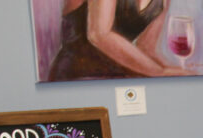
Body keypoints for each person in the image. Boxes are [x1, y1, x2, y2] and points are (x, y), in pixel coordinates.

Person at [48, 0, 193, 81]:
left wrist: (179, 71)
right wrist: (160, 71)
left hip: (118, 79)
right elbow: (99, 34)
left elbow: (146, 49)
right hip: (78, 78)